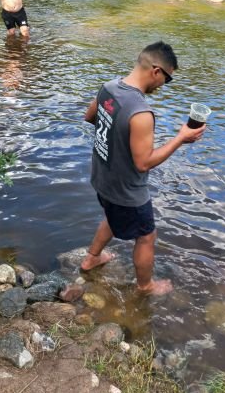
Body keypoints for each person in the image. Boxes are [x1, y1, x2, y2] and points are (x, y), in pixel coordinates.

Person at [81, 41, 206, 295]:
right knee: (147, 236)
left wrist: (116, 134)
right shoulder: (141, 112)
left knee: (111, 215)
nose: (163, 85)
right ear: (156, 71)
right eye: (167, 79)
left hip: (102, 177)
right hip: (127, 189)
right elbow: (143, 162)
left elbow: (90, 116)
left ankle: (91, 258)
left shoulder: (109, 88)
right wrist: (181, 138)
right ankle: (145, 286)